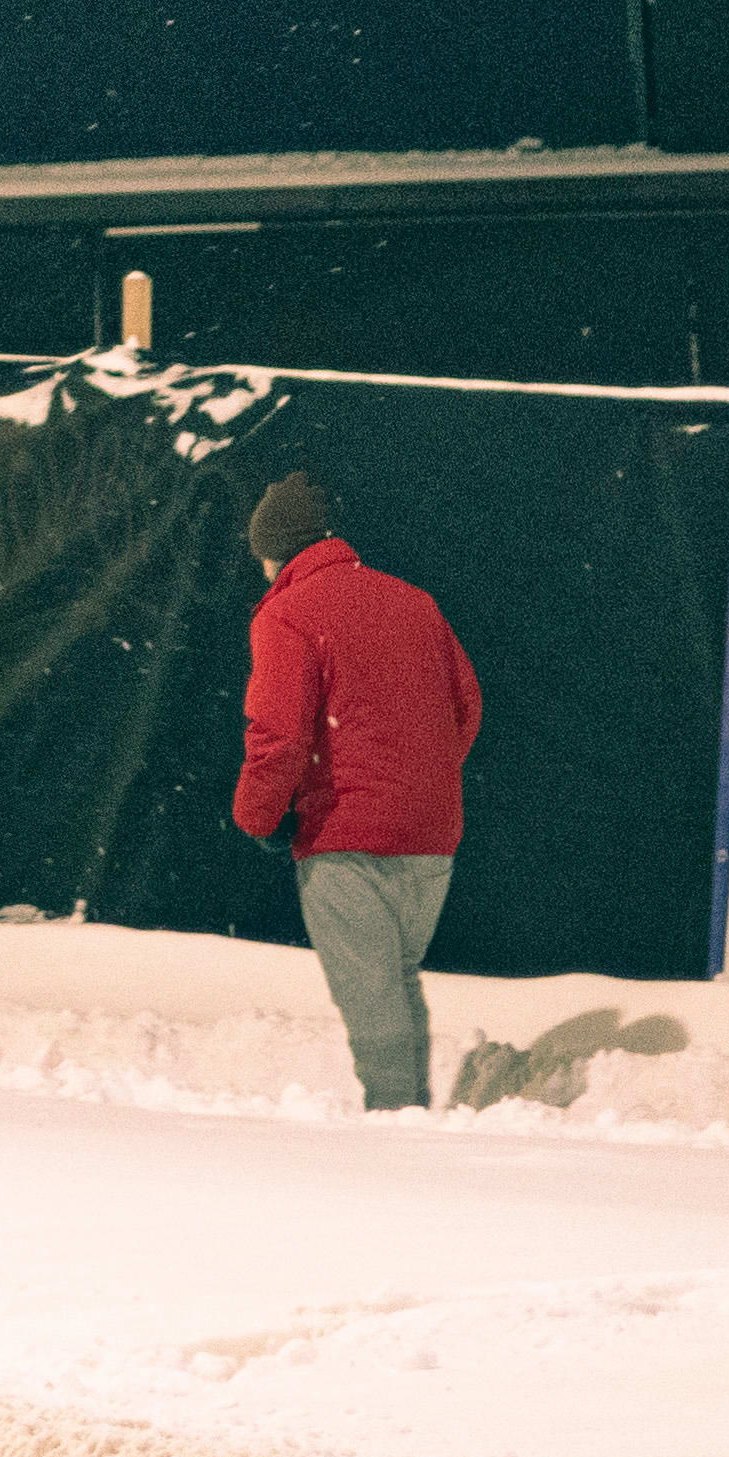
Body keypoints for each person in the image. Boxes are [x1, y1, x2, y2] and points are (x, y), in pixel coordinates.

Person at [231, 471, 483, 1111]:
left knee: (371, 993)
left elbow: (278, 733)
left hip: (347, 835)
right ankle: (411, 1116)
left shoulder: (286, 614)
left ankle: (395, 1133)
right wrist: (420, 782)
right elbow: (466, 707)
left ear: (274, 551)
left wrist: (258, 818)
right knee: (394, 982)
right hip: (432, 837)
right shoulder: (414, 601)